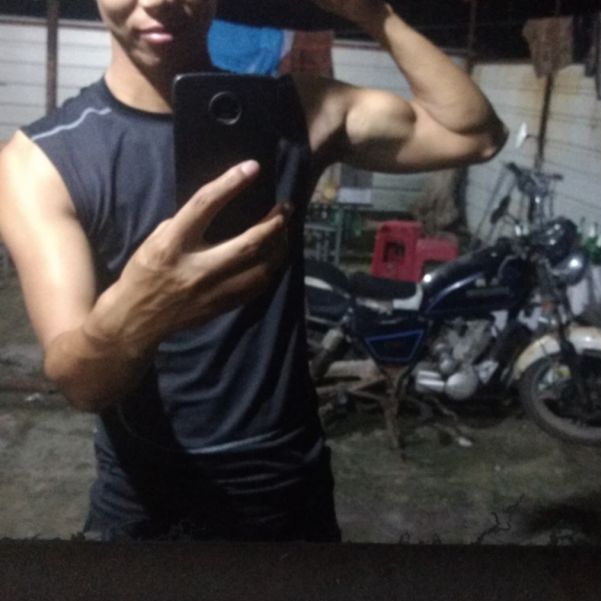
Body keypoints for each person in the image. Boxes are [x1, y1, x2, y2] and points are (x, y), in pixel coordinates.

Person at [0, 0, 507, 541]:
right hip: (143, 491)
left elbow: (473, 135)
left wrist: (374, 15)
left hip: (285, 477)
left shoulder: (295, 110)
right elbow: (82, 384)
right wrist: (141, 310)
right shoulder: (38, 162)